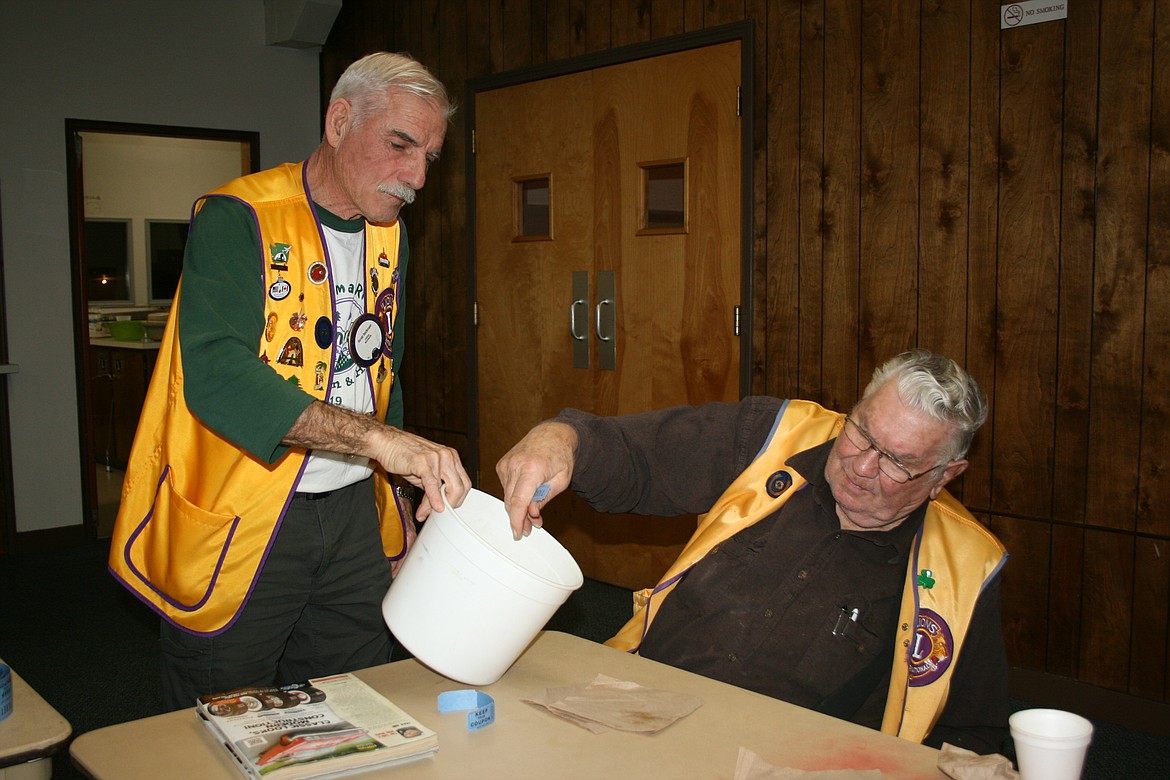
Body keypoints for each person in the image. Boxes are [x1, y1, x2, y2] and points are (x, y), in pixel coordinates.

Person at [108, 52, 471, 710]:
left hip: (354, 516)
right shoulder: (236, 219)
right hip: (242, 514)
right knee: (224, 713)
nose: (416, 176)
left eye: (429, 158)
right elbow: (218, 375)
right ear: (338, 121)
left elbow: (384, 371)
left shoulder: (392, 237)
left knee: (354, 703)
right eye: (400, 145)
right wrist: (378, 441)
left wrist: (393, 491)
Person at [496, 350, 1009, 754]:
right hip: (641, 704)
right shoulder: (775, 437)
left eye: (898, 461)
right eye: (861, 432)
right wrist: (562, 439)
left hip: (783, 762)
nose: (863, 466)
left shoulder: (963, 569)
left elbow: (971, 734)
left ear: (945, 477)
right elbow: (637, 457)